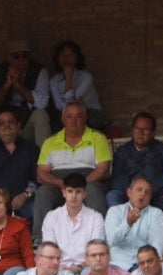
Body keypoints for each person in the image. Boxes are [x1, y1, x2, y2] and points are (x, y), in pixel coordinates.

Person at [33, 100, 113, 241]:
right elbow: (41, 174)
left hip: (90, 180)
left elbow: (103, 170)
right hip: (60, 184)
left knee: (93, 190)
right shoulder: (50, 141)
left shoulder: (98, 137)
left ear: (85, 118)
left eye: (78, 116)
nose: (74, 121)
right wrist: (60, 183)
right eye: (69, 116)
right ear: (63, 119)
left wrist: (79, 185)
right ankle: (41, 239)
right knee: (43, 192)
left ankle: (100, 239)